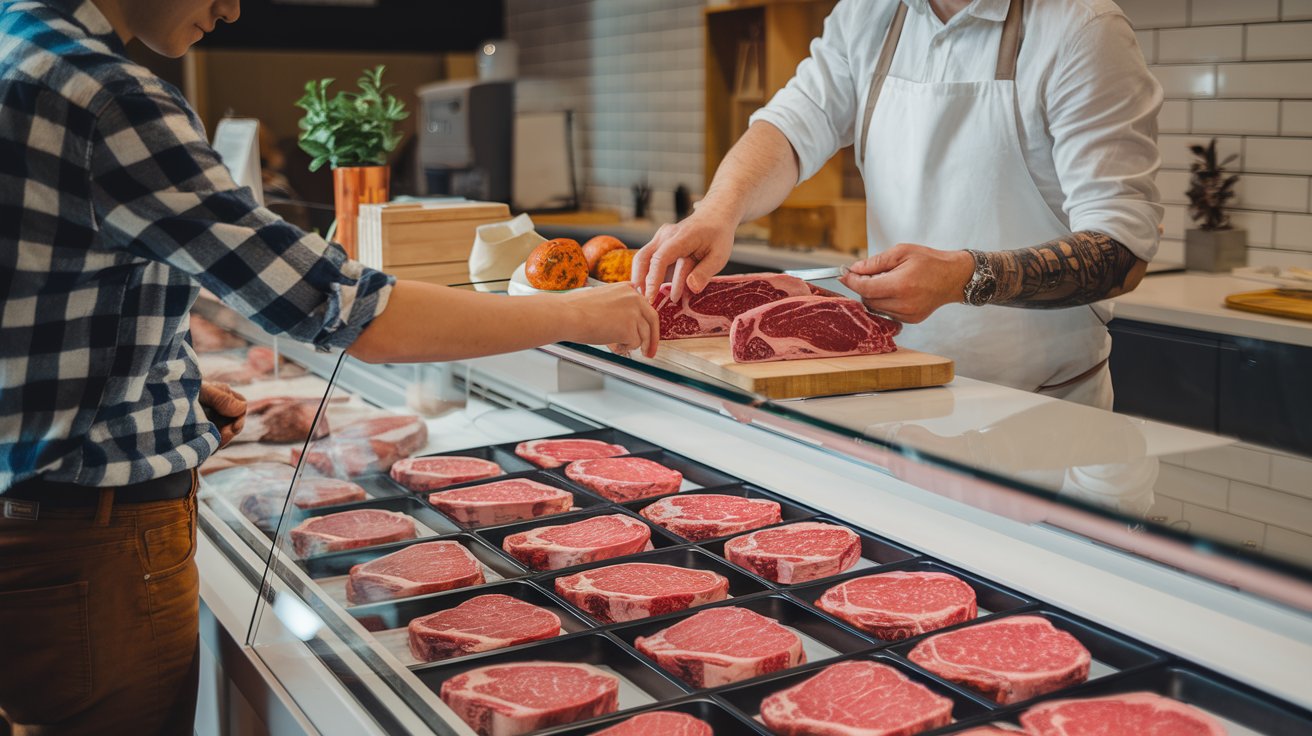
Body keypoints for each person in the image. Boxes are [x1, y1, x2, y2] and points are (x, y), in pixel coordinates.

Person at [0, 1, 658, 733]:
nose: (232, 7)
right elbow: (346, 311)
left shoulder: (15, 46)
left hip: (33, 523)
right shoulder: (108, 96)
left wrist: (162, 391)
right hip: (93, 551)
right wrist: (582, 315)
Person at [635, 0, 1163, 409]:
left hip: (1041, 413)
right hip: (894, 389)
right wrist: (718, 210)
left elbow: (1121, 250)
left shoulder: (1082, 29)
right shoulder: (869, 14)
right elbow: (792, 127)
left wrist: (966, 275)